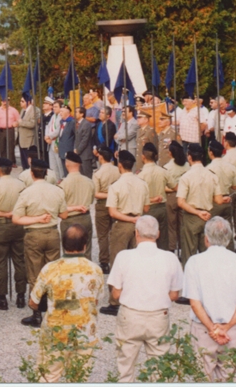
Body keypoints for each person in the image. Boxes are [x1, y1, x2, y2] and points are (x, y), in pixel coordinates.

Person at [107, 215, 184, 382]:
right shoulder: (170, 258)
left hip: (130, 315)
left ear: (136, 234)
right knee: (159, 365)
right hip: (158, 316)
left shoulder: (124, 256)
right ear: (158, 234)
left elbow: (116, 293)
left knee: (125, 366)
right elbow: (175, 294)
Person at [29, 224, 104, 383]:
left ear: (63, 244)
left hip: (55, 333)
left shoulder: (50, 268)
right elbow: (95, 301)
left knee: (47, 376)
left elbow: (33, 302)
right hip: (85, 332)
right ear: (85, 245)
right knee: (78, 378)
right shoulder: (95, 270)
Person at [183, 216, 236, 381]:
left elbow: (195, 303)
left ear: (206, 238)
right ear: (228, 238)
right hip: (232, 329)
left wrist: (212, 329)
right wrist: (226, 327)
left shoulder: (194, 262)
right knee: (229, 378)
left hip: (203, 330)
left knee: (202, 378)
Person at [12, 158, 67, 327]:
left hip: (33, 234)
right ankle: (53, 310)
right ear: (47, 173)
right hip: (52, 233)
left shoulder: (26, 193)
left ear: (31, 173)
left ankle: (36, 312)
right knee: (52, 273)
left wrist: (36, 219)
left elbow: (16, 218)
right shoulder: (57, 191)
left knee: (34, 274)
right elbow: (64, 215)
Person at [99, 150, 150, 316]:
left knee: (118, 263)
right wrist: (136, 218)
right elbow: (147, 208)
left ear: (119, 165)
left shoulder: (116, 186)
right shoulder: (142, 183)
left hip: (122, 223)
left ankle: (115, 301)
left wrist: (128, 219)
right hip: (138, 223)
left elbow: (112, 212)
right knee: (139, 262)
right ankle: (137, 297)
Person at [0, 157, 27, 311]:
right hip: (18, 226)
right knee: (20, 260)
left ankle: (2, 297)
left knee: (1, 262)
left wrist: (5, 214)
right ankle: (21, 295)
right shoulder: (21, 185)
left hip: (1, 226)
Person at [176, 143, 228, 267]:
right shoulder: (211, 175)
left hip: (191, 217)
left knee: (189, 253)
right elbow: (219, 200)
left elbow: (180, 202)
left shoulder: (186, 177)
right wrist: (225, 199)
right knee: (207, 253)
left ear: (189, 157)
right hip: (208, 215)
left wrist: (197, 212)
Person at [138, 142, 174, 250]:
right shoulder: (163, 171)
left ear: (143, 157)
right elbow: (176, 186)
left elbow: (138, 197)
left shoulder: (140, 175)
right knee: (163, 240)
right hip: (162, 208)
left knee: (147, 239)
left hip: (148, 209)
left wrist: (152, 199)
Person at [60, 151, 95, 259]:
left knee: (69, 252)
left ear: (66, 164)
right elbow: (91, 200)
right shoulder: (89, 181)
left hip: (69, 220)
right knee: (86, 251)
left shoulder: (63, 184)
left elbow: (60, 207)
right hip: (85, 218)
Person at [206, 140, 236, 249]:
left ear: (210, 152)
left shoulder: (208, 169)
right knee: (227, 229)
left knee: (213, 231)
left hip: (214, 202)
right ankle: (230, 251)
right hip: (227, 200)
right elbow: (235, 186)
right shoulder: (231, 167)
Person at [92, 148, 120, 274]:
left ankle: (104, 262)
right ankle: (116, 258)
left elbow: (96, 194)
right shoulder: (118, 170)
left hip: (102, 205)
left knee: (103, 235)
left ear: (101, 157)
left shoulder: (98, 173)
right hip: (117, 204)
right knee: (116, 233)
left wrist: (107, 194)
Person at [163, 141, 190, 256]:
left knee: (171, 225)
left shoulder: (167, 167)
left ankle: (172, 249)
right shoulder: (187, 165)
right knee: (182, 225)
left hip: (171, 197)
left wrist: (174, 188)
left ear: (170, 153)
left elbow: (164, 186)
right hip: (184, 196)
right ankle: (183, 249)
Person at [0, 96, 20, 164]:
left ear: (9, 101)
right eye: (3, 101)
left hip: (10, 130)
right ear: (1, 101)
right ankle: (3, 162)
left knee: (10, 146)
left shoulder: (14, 110)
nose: (5, 102)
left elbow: (18, 120)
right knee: (2, 147)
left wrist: (16, 123)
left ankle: (12, 162)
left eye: (7, 101)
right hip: (0, 131)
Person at [18, 96, 41, 170]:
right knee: (23, 158)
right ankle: (24, 171)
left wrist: (21, 123)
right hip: (22, 138)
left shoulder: (35, 110)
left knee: (29, 158)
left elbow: (32, 124)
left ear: (28, 102)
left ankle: (29, 172)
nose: (20, 102)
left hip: (29, 139)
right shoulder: (23, 110)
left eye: (22, 101)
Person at [45, 100, 64, 180]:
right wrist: (46, 136)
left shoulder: (61, 116)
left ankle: (61, 179)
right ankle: (55, 180)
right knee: (52, 164)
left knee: (59, 164)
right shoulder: (53, 116)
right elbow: (48, 126)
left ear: (61, 107)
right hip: (51, 142)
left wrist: (49, 136)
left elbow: (58, 130)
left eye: (56, 107)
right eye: (53, 107)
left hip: (57, 141)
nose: (54, 108)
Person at [74, 106, 95, 178]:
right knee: (81, 176)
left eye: (76, 112)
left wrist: (78, 150)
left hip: (85, 154)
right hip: (79, 154)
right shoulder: (77, 124)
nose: (74, 114)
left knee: (87, 175)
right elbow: (76, 138)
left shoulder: (86, 124)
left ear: (82, 114)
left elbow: (85, 140)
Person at [56, 104, 76, 176]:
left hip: (69, 150)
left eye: (62, 111)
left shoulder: (72, 122)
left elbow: (76, 136)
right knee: (64, 169)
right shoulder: (61, 122)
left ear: (67, 113)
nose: (60, 113)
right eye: (60, 111)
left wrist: (75, 147)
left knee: (70, 170)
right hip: (62, 149)